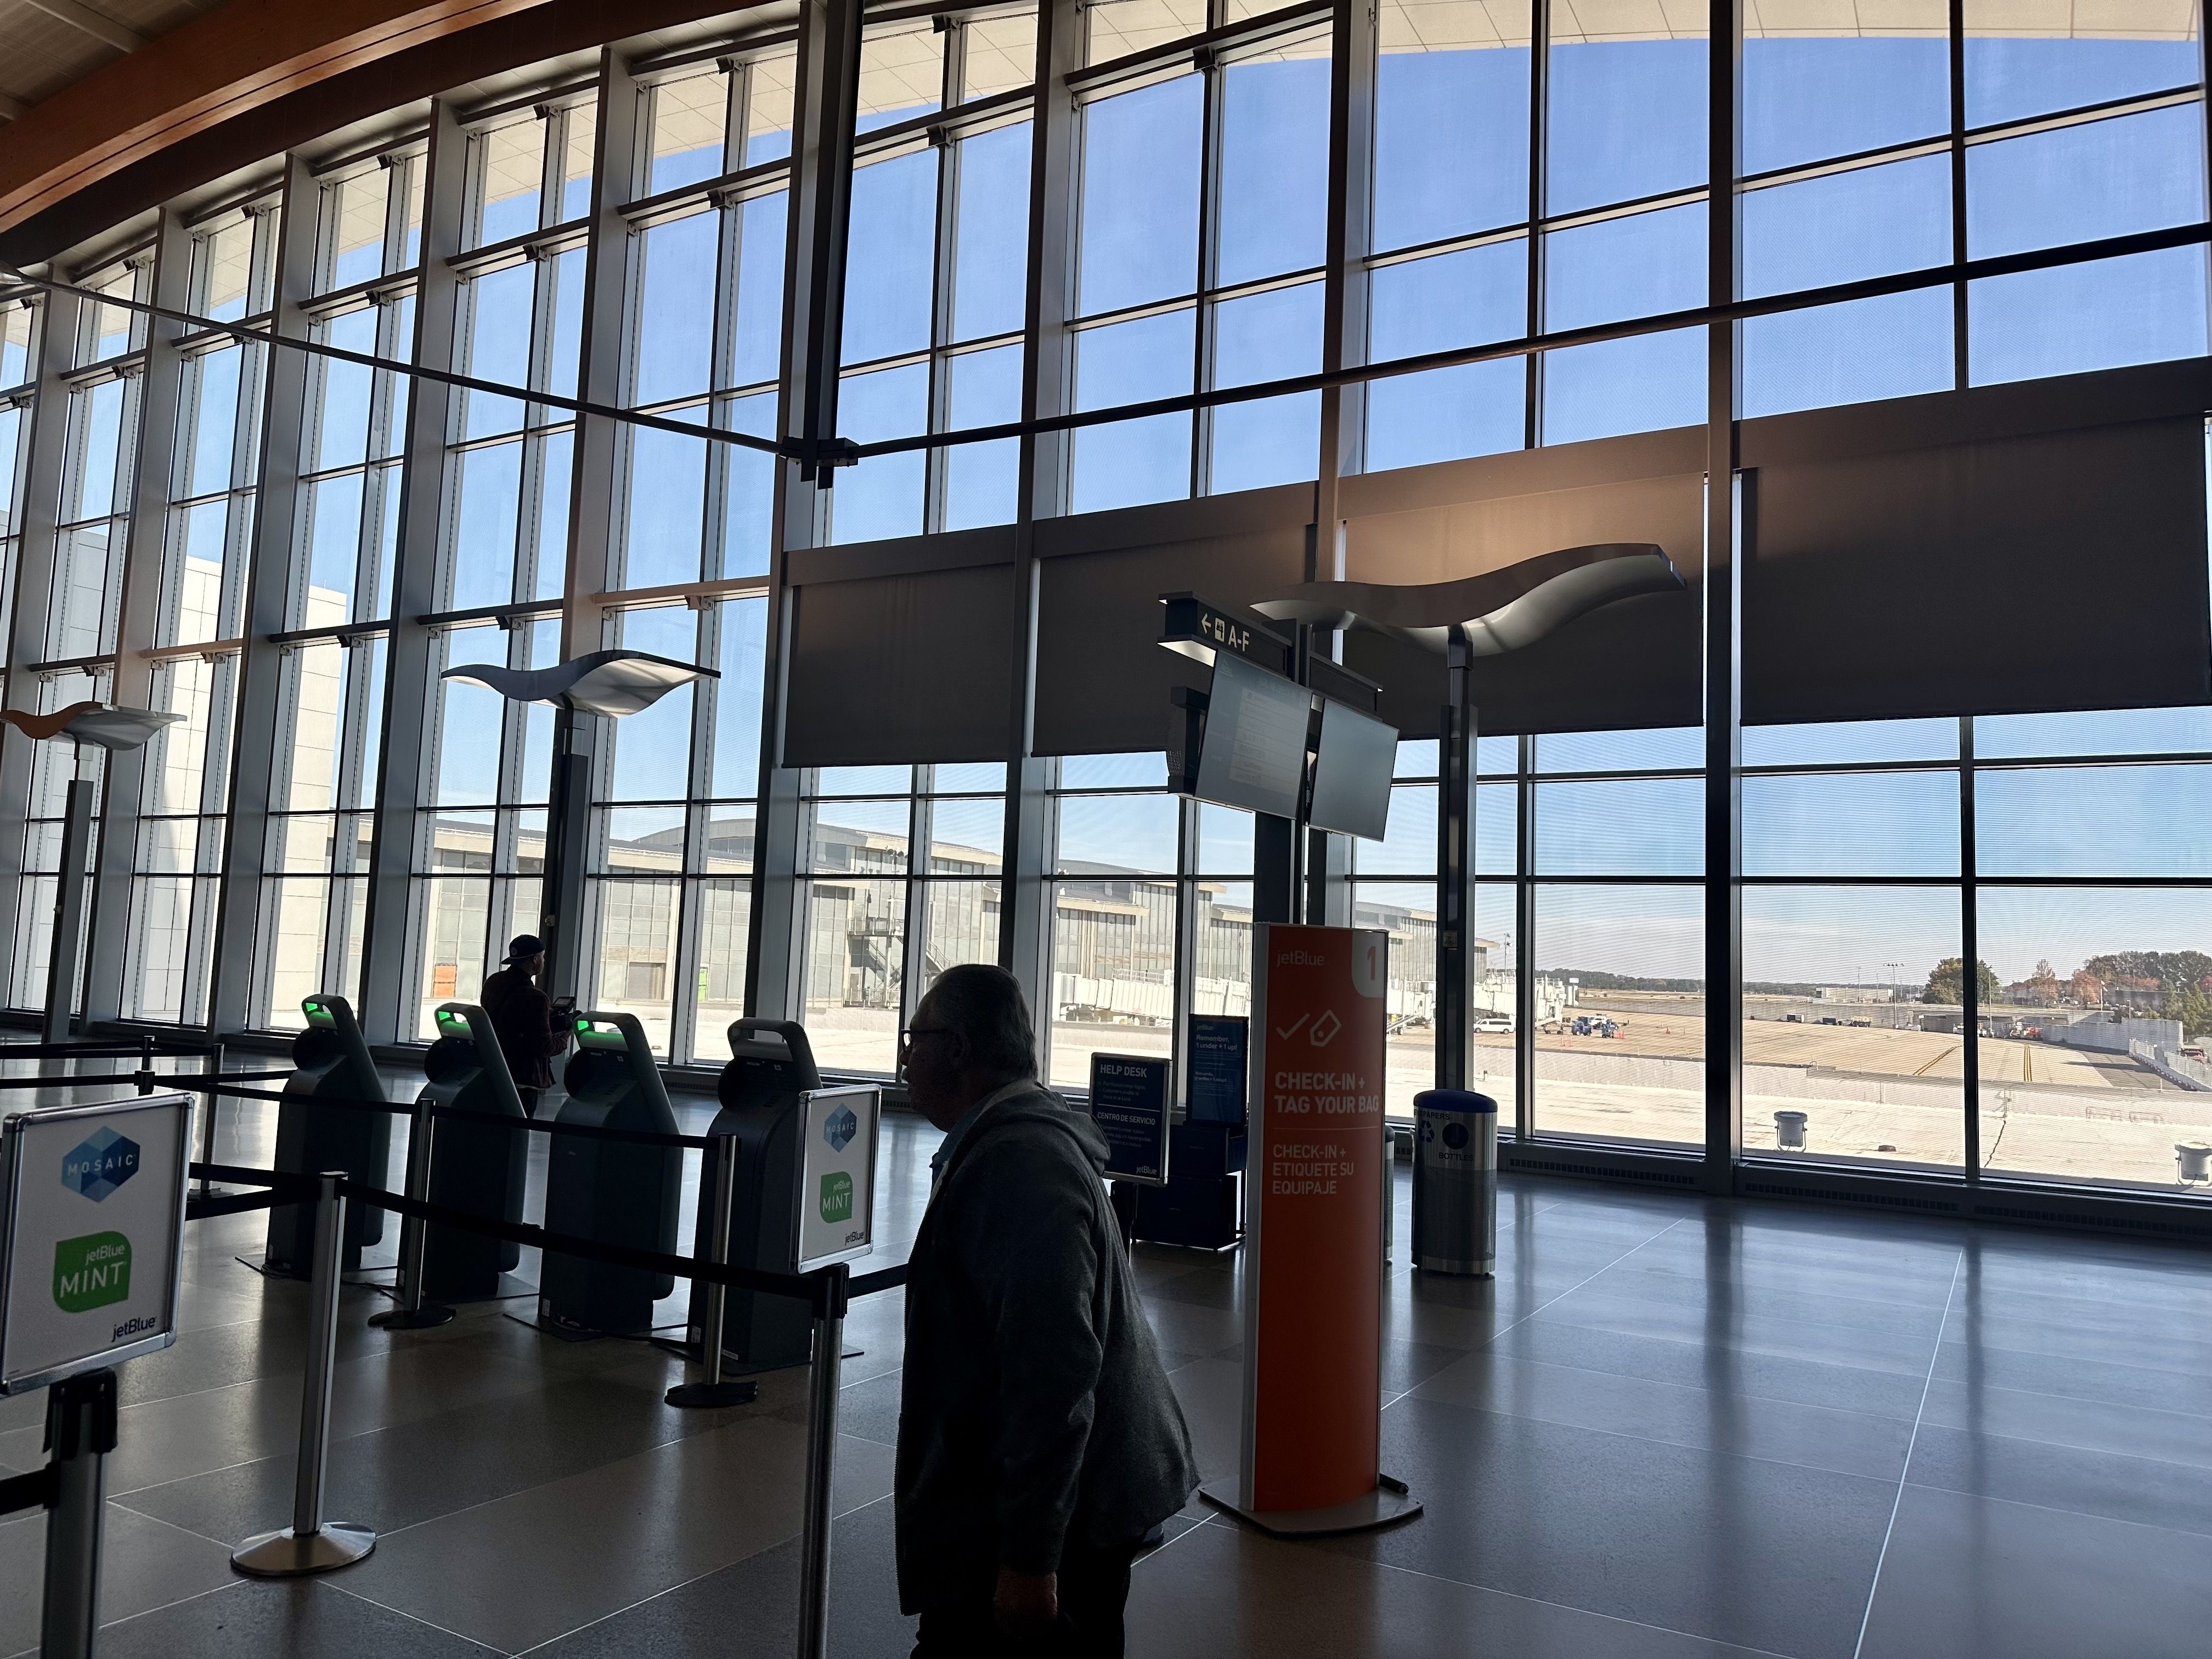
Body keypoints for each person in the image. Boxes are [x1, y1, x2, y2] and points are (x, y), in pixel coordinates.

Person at [895, 963, 1197, 1657]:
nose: (908, 1058)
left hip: (1066, 1524)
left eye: (916, 1038)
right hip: (1057, 1504)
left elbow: (1053, 1371)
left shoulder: (1019, 1166)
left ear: (960, 1049)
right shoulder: (1012, 1142)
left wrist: (1031, 1558)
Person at [479, 933, 570, 1113]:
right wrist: (565, 1038)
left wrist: (546, 1015)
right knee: (518, 1133)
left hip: (494, 1069)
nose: (543, 961)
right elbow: (543, 1047)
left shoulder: (493, 982)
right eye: (542, 957)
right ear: (535, 960)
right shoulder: (536, 998)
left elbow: (508, 1018)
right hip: (522, 1079)